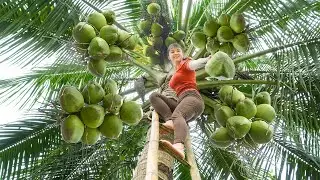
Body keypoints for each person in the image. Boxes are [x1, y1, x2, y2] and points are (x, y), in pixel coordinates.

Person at [149, 43, 211, 159]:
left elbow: (195, 64)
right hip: (181, 100)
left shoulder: (185, 63)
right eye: (172, 52)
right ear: (168, 57)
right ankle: (169, 120)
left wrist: (207, 59)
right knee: (154, 96)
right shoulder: (174, 74)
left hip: (192, 98)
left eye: (178, 51)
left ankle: (179, 147)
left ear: (183, 54)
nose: (176, 53)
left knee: (178, 115)